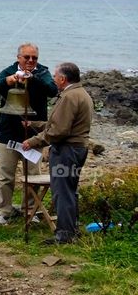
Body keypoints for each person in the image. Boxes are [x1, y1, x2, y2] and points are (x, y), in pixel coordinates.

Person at [23, 62, 93, 244]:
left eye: (55, 76)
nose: (53, 79)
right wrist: (36, 124)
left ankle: (64, 235)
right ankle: (72, 229)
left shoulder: (69, 97)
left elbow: (60, 131)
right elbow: (60, 124)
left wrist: (33, 141)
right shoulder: (82, 93)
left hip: (67, 150)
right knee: (70, 190)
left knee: (62, 192)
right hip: (77, 148)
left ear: (62, 79)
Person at [0, 43, 58, 225]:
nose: (30, 61)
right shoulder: (8, 71)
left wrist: (33, 78)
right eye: (27, 57)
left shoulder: (42, 73)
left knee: (33, 175)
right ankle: (3, 211)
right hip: (8, 132)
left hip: (34, 134)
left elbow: (52, 90)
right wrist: (7, 82)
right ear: (18, 57)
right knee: (5, 175)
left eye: (34, 58)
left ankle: (31, 210)